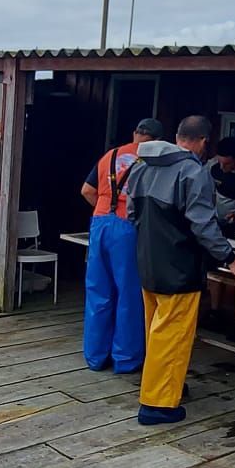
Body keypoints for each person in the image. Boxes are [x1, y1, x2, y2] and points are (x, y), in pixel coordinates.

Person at [125, 115, 235, 424]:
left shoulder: (141, 167)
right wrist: (230, 259)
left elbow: (132, 213)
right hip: (179, 268)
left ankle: (168, 385)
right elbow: (204, 226)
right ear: (204, 142)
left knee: (156, 334)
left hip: (148, 262)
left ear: (178, 135)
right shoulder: (193, 172)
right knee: (173, 336)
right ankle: (158, 406)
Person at [79, 117, 163, 373]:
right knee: (128, 295)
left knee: (98, 292)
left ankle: (95, 356)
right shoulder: (152, 162)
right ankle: (126, 360)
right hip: (128, 228)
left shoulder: (111, 155)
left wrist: (106, 209)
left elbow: (86, 190)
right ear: (158, 140)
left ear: (135, 133)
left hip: (101, 222)